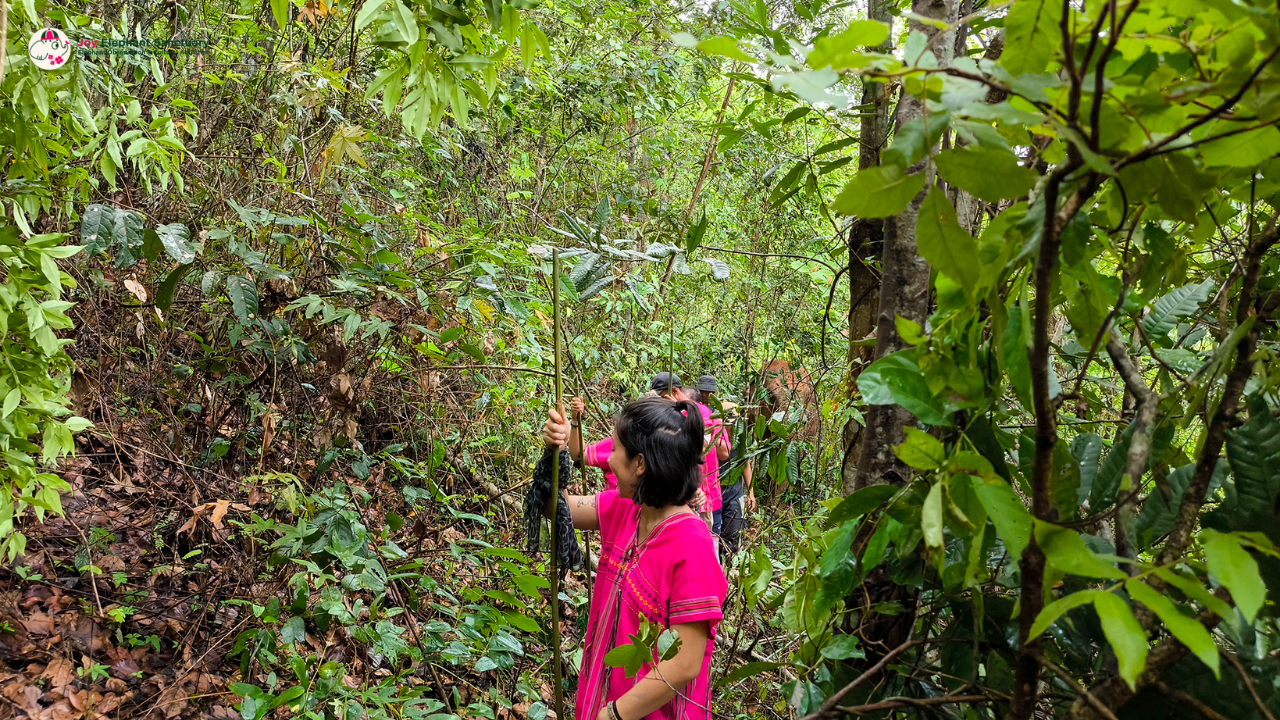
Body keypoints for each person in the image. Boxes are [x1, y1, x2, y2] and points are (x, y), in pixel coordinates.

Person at [540, 396, 728, 720]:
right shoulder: (624, 509)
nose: (609, 461)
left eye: (614, 450)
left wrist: (614, 714)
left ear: (640, 464)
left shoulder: (692, 544)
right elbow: (552, 507)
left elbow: (685, 663)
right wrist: (553, 450)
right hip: (602, 701)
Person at [650, 373, 728, 531]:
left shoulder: (701, 413)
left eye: (661, 398)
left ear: (673, 393)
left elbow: (704, 450)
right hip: (680, 498)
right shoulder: (668, 414)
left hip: (703, 500)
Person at [717, 410, 757, 560]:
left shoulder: (740, 439)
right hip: (715, 494)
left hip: (735, 493)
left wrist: (751, 493)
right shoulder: (713, 439)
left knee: (734, 535)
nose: (731, 427)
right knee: (714, 534)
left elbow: (745, 465)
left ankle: (730, 568)